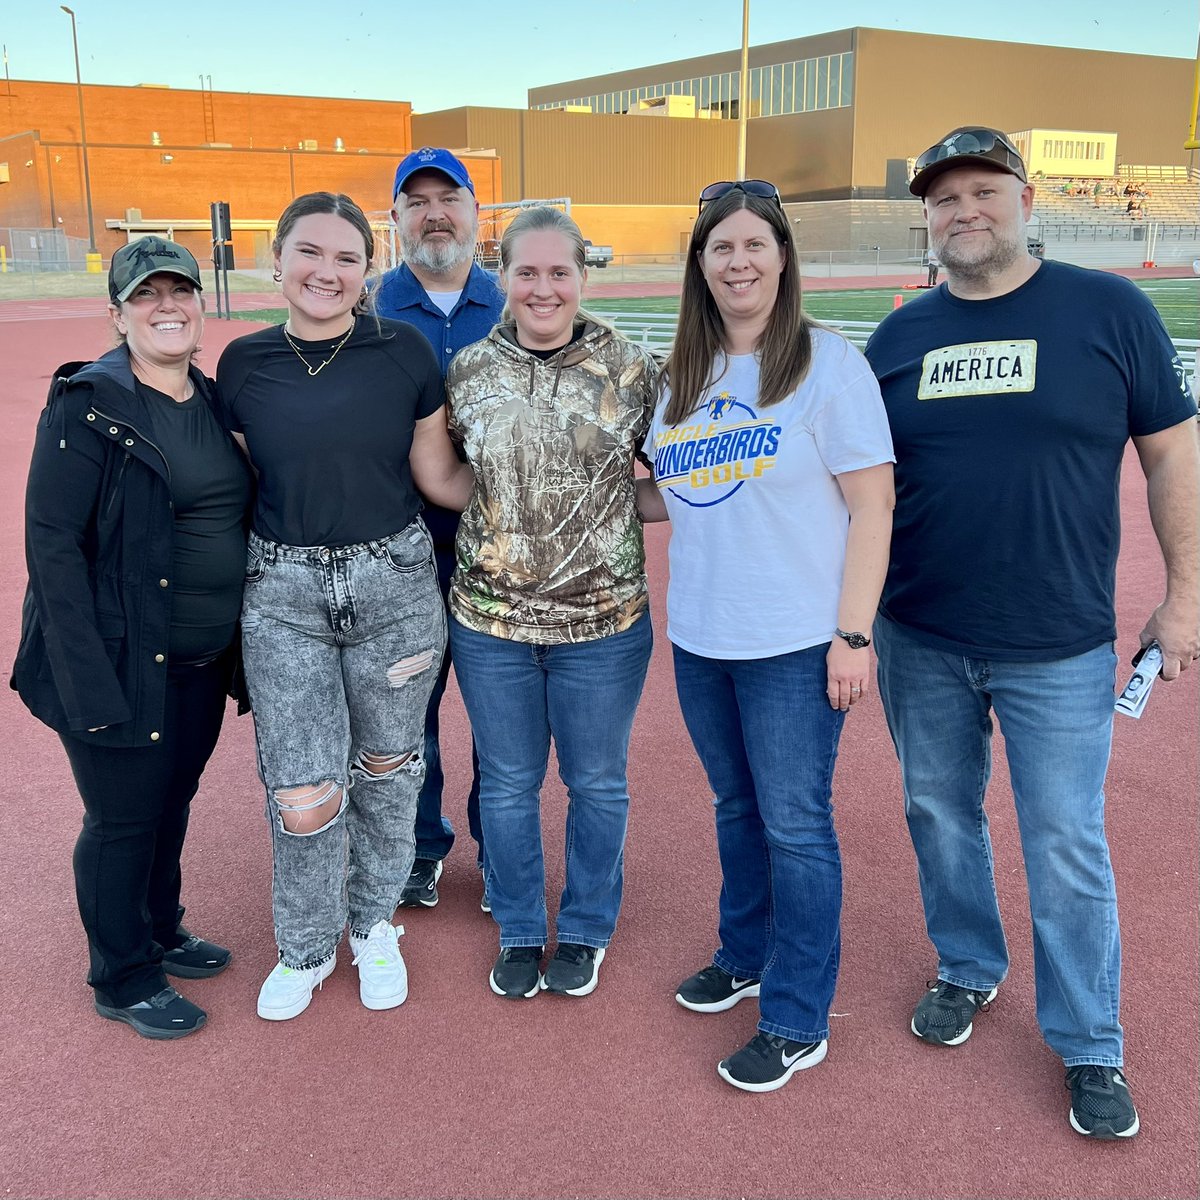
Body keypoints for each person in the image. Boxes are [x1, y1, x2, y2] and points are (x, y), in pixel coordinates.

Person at [864, 126, 1199, 1140]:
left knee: (1064, 838)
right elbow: (862, 489)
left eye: (984, 190)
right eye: (945, 197)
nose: (965, 210)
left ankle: (1090, 1041)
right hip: (918, 634)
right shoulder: (899, 337)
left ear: (1025, 198)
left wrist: (1185, 597)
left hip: (1055, 639)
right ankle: (968, 966)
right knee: (937, 812)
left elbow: (1172, 459)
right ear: (926, 216)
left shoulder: (1109, 310)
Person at [642, 179, 895, 1092]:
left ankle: (796, 1016)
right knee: (735, 808)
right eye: (721, 248)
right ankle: (743, 953)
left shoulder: (829, 365)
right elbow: (670, 495)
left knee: (795, 824)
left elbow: (874, 506)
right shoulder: (680, 378)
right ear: (700, 266)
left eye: (754, 244)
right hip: (704, 635)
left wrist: (853, 636)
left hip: (795, 640)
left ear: (782, 258)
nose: (738, 261)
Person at [216, 192, 472, 1022]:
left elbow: (439, 479)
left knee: (390, 770)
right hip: (283, 594)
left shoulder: (402, 352)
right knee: (302, 786)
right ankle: (305, 942)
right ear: (277, 258)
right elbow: (245, 481)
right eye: (309, 252)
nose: (326, 271)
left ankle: (371, 924)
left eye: (346, 257)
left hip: (395, 584)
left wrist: (550, 503)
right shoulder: (244, 364)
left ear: (370, 269)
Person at [12, 237, 253, 1039]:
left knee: (169, 800)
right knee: (121, 819)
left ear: (200, 304)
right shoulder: (89, 404)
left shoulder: (214, 402)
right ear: (117, 313)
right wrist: (86, 682)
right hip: (118, 659)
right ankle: (122, 975)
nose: (166, 306)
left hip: (198, 658)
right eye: (146, 295)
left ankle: (159, 925)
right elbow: (51, 547)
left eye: (179, 291)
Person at [445, 205, 658, 1001]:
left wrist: (612, 516)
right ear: (501, 277)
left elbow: (685, 473)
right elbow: (447, 478)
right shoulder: (467, 371)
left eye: (558, 272)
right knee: (507, 781)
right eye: (526, 273)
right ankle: (522, 926)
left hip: (603, 623)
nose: (543, 288)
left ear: (582, 276)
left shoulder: (633, 370)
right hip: (491, 622)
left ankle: (588, 926)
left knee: (597, 782)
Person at [374, 147, 505, 912]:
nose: (433, 213)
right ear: (395, 218)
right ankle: (421, 848)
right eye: (415, 200)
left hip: (501, 555)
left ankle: (502, 848)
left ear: (474, 211)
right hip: (401, 553)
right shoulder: (368, 312)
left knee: (500, 717)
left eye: (447, 197)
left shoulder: (518, 301)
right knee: (407, 716)